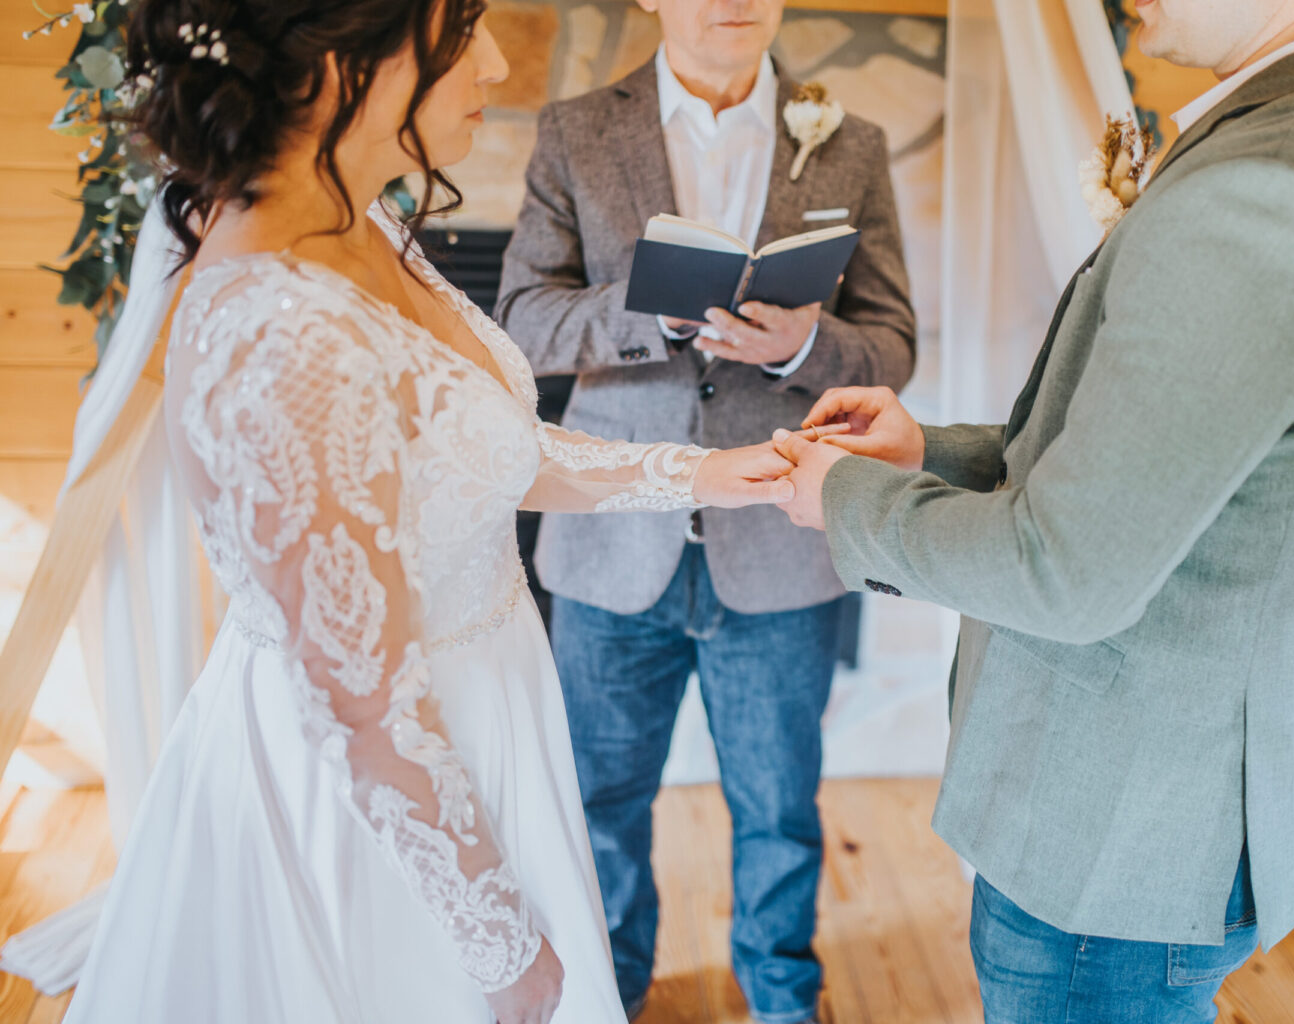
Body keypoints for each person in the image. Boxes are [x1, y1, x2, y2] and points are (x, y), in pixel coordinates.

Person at [63, 2, 814, 1022]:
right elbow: (363, 707)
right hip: (388, 809)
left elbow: (490, 451)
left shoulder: (360, 218)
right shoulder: (276, 333)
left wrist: (706, 475)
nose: (498, 64)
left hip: (491, 713)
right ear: (340, 69)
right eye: (460, 36)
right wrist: (500, 947)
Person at [769, 0, 1294, 1020]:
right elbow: (1151, 470)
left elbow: (1066, 569)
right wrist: (924, 452)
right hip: (1168, 806)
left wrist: (849, 501)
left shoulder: (1271, 190)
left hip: (1120, 839)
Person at [495, 0, 915, 1019]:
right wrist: (648, 309)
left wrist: (803, 349)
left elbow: (894, 342)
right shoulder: (576, 131)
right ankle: (610, 989)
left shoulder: (848, 141)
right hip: (608, 545)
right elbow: (519, 322)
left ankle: (782, 996)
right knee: (600, 803)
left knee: (779, 810)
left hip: (782, 536)